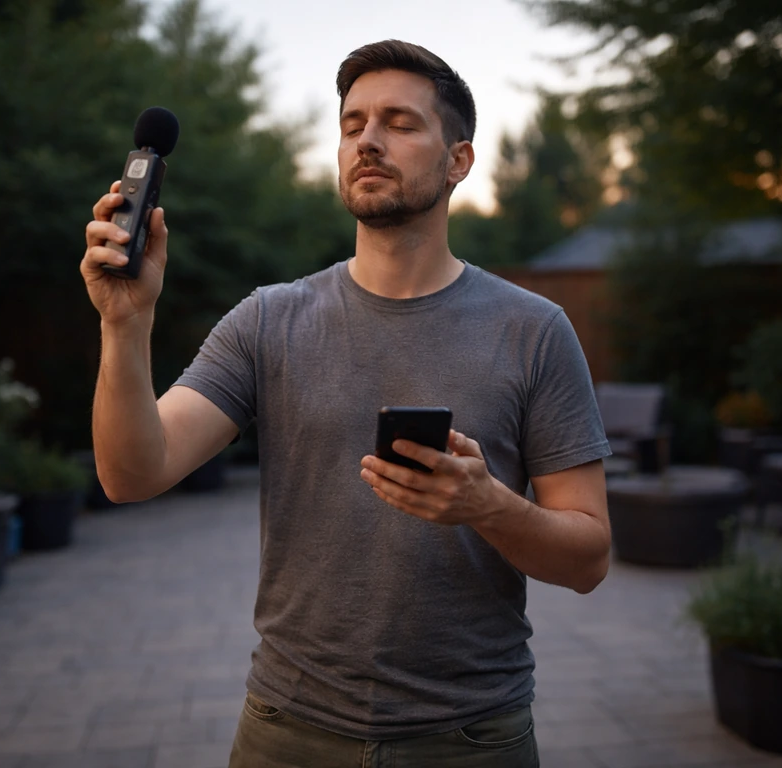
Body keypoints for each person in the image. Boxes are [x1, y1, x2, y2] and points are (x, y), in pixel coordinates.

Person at [81, 39, 611, 768]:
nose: (366, 139)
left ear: (458, 160)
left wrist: (489, 506)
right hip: (285, 730)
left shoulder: (533, 331)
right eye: (352, 122)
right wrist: (125, 322)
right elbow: (130, 474)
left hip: (470, 738)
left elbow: (589, 557)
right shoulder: (269, 320)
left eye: (399, 122)